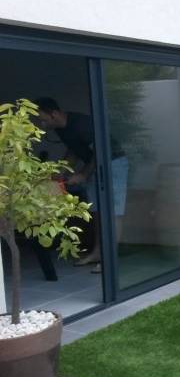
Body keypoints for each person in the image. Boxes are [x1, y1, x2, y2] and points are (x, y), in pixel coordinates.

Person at [34, 97, 128, 274]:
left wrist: (84, 174)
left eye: (42, 118)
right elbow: (74, 150)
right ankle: (98, 253)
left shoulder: (81, 125)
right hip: (94, 163)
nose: (41, 123)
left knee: (113, 212)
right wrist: (61, 169)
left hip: (113, 163)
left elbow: (101, 151)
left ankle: (110, 260)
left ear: (53, 114)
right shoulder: (61, 128)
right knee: (97, 211)